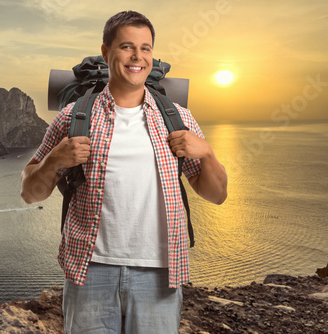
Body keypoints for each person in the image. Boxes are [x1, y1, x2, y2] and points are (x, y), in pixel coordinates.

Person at [21, 10, 228, 334]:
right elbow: (29, 193)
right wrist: (54, 160)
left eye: (146, 48)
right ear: (106, 52)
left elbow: (217, 195)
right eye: (127, 46)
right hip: (89, 273)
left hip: (159, 275)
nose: (137, 56)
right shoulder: (73, 117)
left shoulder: (179, 119)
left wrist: (208, 153)